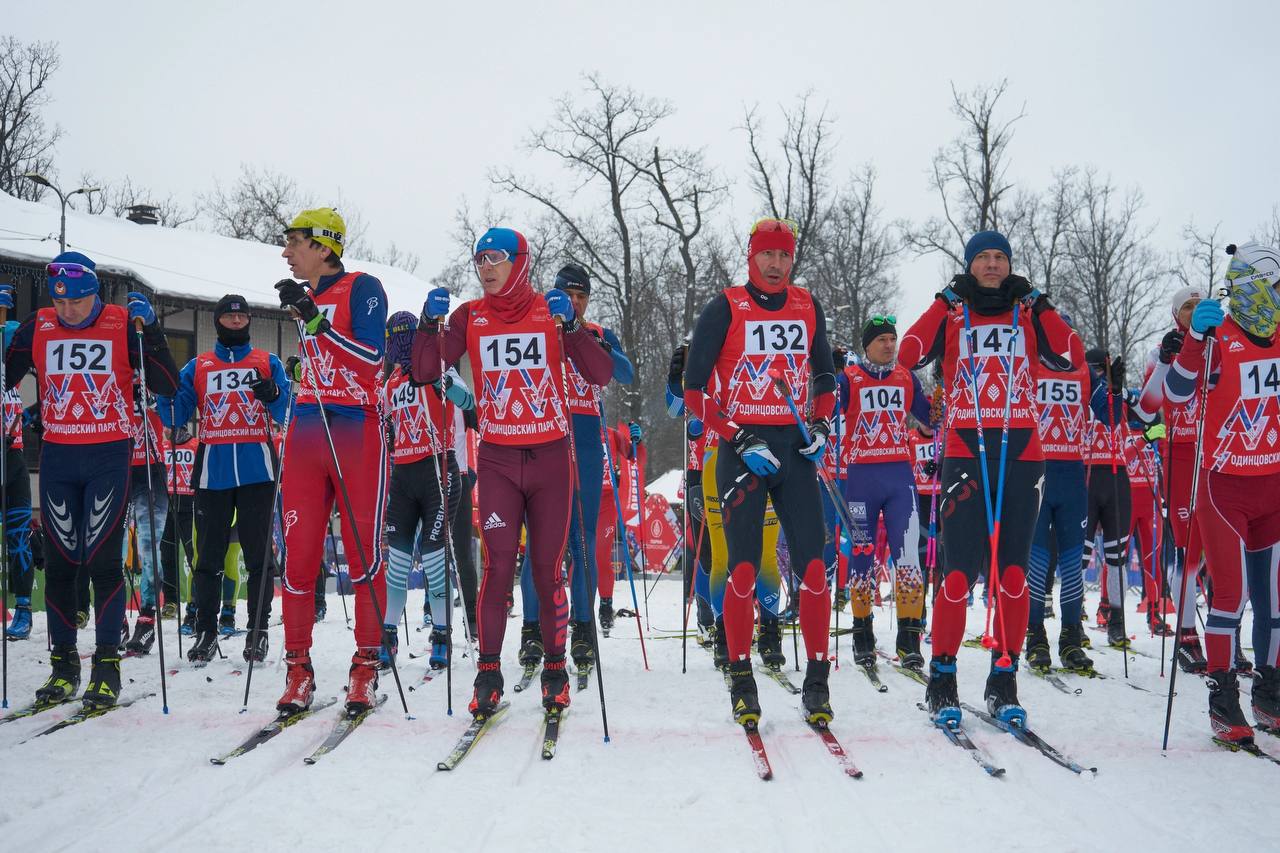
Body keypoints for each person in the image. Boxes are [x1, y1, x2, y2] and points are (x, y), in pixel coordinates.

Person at [413, 227, 614, 716]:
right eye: (479, 258)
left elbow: (601, 374)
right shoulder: (470, 315)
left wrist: (572, 329)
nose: (485, 266)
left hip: (550, 458)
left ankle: (555, 670)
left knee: (547, 571)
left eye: (496, 257)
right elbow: (422, 371)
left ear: (520, 261)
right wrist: (426, 325)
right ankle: (487, 673)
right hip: (499, 459)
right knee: (498, 569)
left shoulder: (550, 310)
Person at [898, 230, 1074, 727]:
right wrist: (941, 302)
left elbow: (1071, 354)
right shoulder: (954, 314)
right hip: (965, 449)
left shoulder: (1027, 313)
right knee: (958, 571)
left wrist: (1041, 303)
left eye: (1000, 257)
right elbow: (907, 354)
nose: (993, 265)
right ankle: (943, 677)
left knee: (1013, 574)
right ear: (970, 265)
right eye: (983, 258)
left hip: (1022, 451)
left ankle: (1004, 678)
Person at [2, 252, 176, 707]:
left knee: (102, 562)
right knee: (60, 564)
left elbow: (167, 384)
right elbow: (7, 374)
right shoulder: (38, 326)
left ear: (94, 293)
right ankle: (63, 667)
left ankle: (106, 666)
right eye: (61, 303)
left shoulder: (121, 323)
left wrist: (153, 333)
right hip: (57, 456)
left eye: (78, 302)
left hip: (107, 455)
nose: (69, 311)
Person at [683, 217, 837, 725]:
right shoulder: (726, 307)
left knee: (813, 567)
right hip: (742, 449)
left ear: (793, 260)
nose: (776, 265)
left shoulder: (806, 305)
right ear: (752, 257)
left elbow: (824, 376)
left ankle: (817, 680)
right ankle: (742, 675)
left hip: (793, 450)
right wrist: (735, 436)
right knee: (743, 566)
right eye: (767, 255)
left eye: (784, 256)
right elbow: (693, 392)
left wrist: (820, 426)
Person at [274, 208, 389, 717]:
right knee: (297, 558)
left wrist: (317, 322)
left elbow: (371, 360)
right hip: (304, 429)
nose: (286, 251)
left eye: (293, 241)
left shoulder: (363, 286)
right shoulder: (305, 298)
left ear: (323, 246)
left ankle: (365, 667)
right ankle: (298, 669)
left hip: (355, 429)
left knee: (364, 554)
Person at [1164, 242, 1280, 742]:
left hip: (1273, 485)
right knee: (1230, 596)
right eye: (1273, 287)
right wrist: (1192, 337)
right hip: (1223, 488)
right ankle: (1223, 697)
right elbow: (1174, 392)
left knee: (1275, 604)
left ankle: (1269, 693)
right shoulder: (1217, 336)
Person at [515, 264, 634, 672]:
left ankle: (583, 631)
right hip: (544, 433)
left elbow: (625, 372)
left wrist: (590, 340)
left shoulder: (596, 332)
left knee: (582, 541)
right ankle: (532, 632)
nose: (576, 301)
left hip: (584, 437)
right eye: (569, 294)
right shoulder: (536, 324)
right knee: (539, 545)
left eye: (582, 295)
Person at [159, 294, 290, 662]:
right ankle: (206, 631)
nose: (236, 322)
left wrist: (276, 393)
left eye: (242, 317)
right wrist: (159, 389)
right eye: (230, 317)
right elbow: (175, 413)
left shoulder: (267, 362)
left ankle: (258, 630)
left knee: (257, 555)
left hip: (257, 469)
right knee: (207, 556)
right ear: (218, 321)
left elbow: (290, 409)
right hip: (212, 469)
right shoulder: (198, 365)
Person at [837, 315, 933, 670]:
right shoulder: (849, 379)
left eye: (892, 339)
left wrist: (940, 399)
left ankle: (910, 638)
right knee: (862, 557)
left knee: (907, 557)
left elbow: (929, 419)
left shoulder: (907, 378)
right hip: (861, 477)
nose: (889, 345)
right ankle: (862, 633)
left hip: (899, 479)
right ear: (867, 345)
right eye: (881, 340)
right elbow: (826, 409)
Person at [381, 310, 472, 670]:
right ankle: (388, 634)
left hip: (439, 471)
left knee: (435, 559)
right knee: (398, 565)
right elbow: (380, 421)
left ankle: (441, 634)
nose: (401, 346)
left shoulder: (439, 369)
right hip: (403, 478)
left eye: (408, 337)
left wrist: (444, 387)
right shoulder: (390, 383)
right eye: (396, 338)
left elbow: (467, 402)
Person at [1137, 286, 1211, 672]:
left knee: (1223, 549)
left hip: (1219, 454)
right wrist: (1166, 360)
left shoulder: (1222, 344)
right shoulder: (1160, 350)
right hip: (1181, 454)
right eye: (1187, 305)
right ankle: (1186, 635)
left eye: (1200, 304)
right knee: (1189, 547)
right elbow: (1147, 409)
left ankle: (1224, 639)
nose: (1194, 310)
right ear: (1176, 314)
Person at [1024, 314, 1092, 672]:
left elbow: (1113, 418)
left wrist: (1113, 391)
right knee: (1035, 560)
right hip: (1036, 471)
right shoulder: (1028, 365)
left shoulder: (1082, 370)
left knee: (1071, 561)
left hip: (1071, 472)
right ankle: (1034, 635)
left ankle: (1070, 635)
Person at [121, 380, 168, 651]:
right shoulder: (116, 374)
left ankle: (147, 618)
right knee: (113, 549)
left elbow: (176, 411)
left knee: (149, 549)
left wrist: (152, 398)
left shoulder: (152, 374)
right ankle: (116, 621)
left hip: (151, 470)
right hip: (119, 467)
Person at [1, 369, 34, 641]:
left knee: (20, 539)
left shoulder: (10, 369)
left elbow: (15, 330)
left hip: (15, 461)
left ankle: (23, 611)